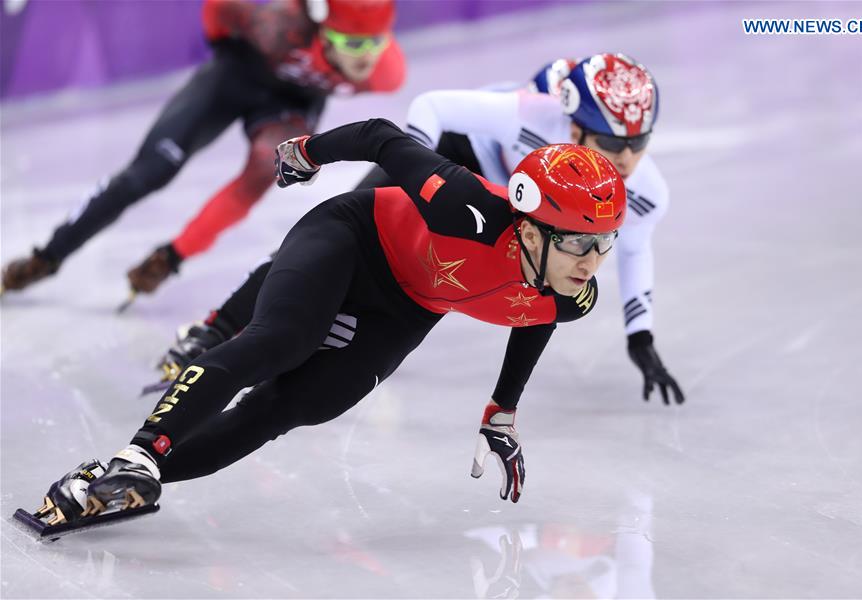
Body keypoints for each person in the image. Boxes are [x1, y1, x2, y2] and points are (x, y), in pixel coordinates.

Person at [27, 117, 625, 530]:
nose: (592, 264)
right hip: (352, 236)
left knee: (297, 406)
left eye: (605, 244)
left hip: (407, 304)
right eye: (579, 245)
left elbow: (537, 316)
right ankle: (141, 452)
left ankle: (119, 484)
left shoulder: (573, 292)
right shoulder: (462, 206)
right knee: (282, 341)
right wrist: (305, 154)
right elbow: (382, 138)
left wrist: (503, 410)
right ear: (526, 228)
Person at [162, 53, 685, 406]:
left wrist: (640, 337)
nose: (627, 161)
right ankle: (216, 327)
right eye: (613, 146)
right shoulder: (529, 114)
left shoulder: (644, 190)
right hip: (458, 157)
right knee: (331, 230)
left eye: (640, 145)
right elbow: (430, 107)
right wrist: (415, 174)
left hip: (515, 208)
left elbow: (635, 248)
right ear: (572, 128)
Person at [1, 0, 403, 297]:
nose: (365, 58)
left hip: (290, 104)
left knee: (268, 168)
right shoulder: (274, 21)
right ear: (321, 27)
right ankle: (48, 256)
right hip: (233, 78)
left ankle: (169, 258)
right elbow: (217, 13)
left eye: (374, 43)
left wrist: (173, 256)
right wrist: (228, 52)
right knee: (150, 172)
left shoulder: (387, 73)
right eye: (350, 45)